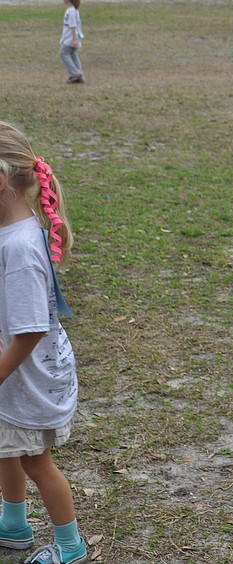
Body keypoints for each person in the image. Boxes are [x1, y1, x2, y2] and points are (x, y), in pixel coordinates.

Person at [0, 122, 87, 564]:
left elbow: (31, 327)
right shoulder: (15, 229)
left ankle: (71, 547)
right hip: (16, 371)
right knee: (6, 447)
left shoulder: (18, 248)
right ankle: (13, 524)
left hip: (26, 375)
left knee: (36, 461)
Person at [59, 0, 85, 84]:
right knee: (73, 54)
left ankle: (75, 74)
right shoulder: (73, 10)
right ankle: (80, 74)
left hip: (70, 38)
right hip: (71, 37)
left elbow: (73, 26)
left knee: (63, 53)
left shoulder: (71, 11)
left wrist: (74, 39)